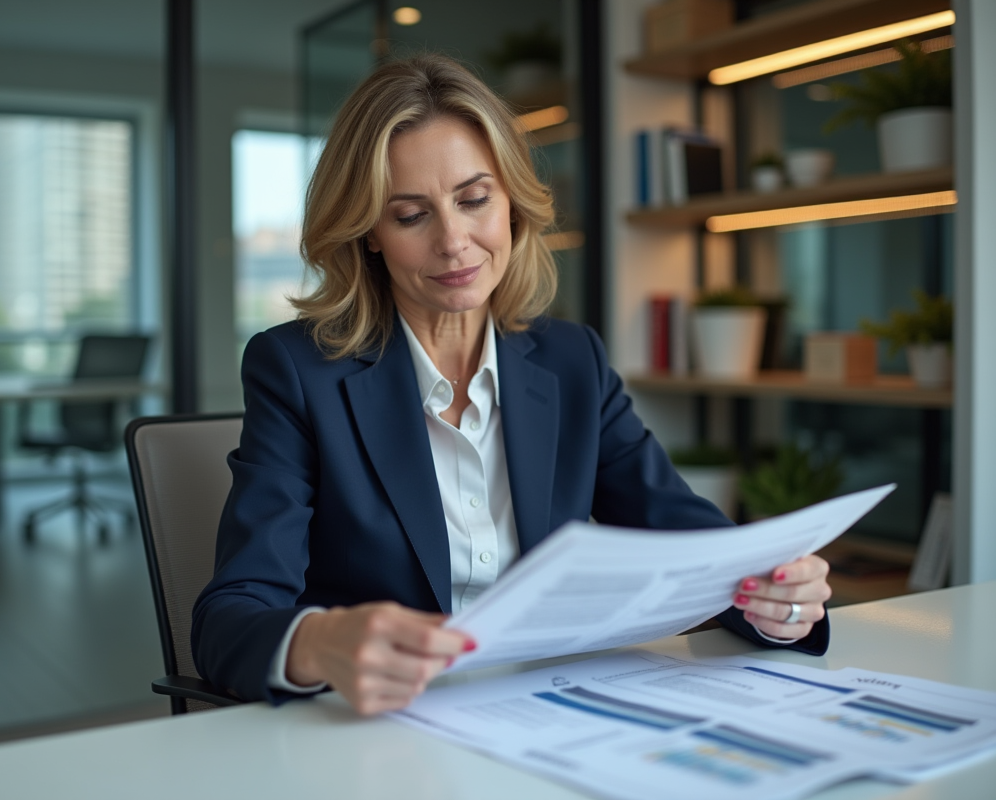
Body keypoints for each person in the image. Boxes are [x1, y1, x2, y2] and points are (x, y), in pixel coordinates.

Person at [193, 54, 832, 715]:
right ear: (369, 234)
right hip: (386, 737)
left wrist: (773, 597)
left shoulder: (570, 361)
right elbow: (228, 620)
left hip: (554, 719)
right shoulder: (297, 372)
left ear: (512, 203)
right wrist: (320, 642)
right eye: (411, 215)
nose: (455, 242)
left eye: (474, 200)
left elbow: (695, 544)